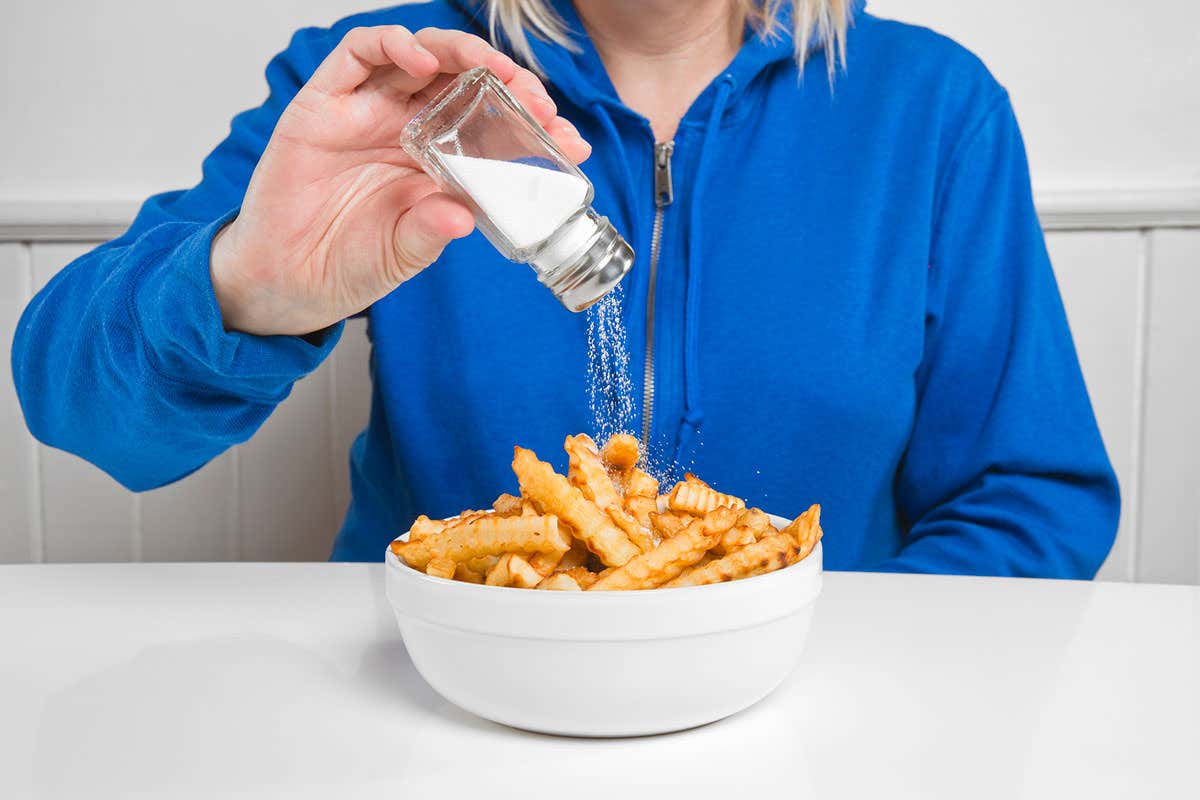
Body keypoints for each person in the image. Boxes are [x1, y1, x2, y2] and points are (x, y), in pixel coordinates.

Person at [11, 0, 1120, 576]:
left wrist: (818, 658)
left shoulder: (931, 110)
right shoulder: (391, 85)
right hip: (441, 722)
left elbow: (1034, 496)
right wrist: (245, 284)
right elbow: (73, 403)